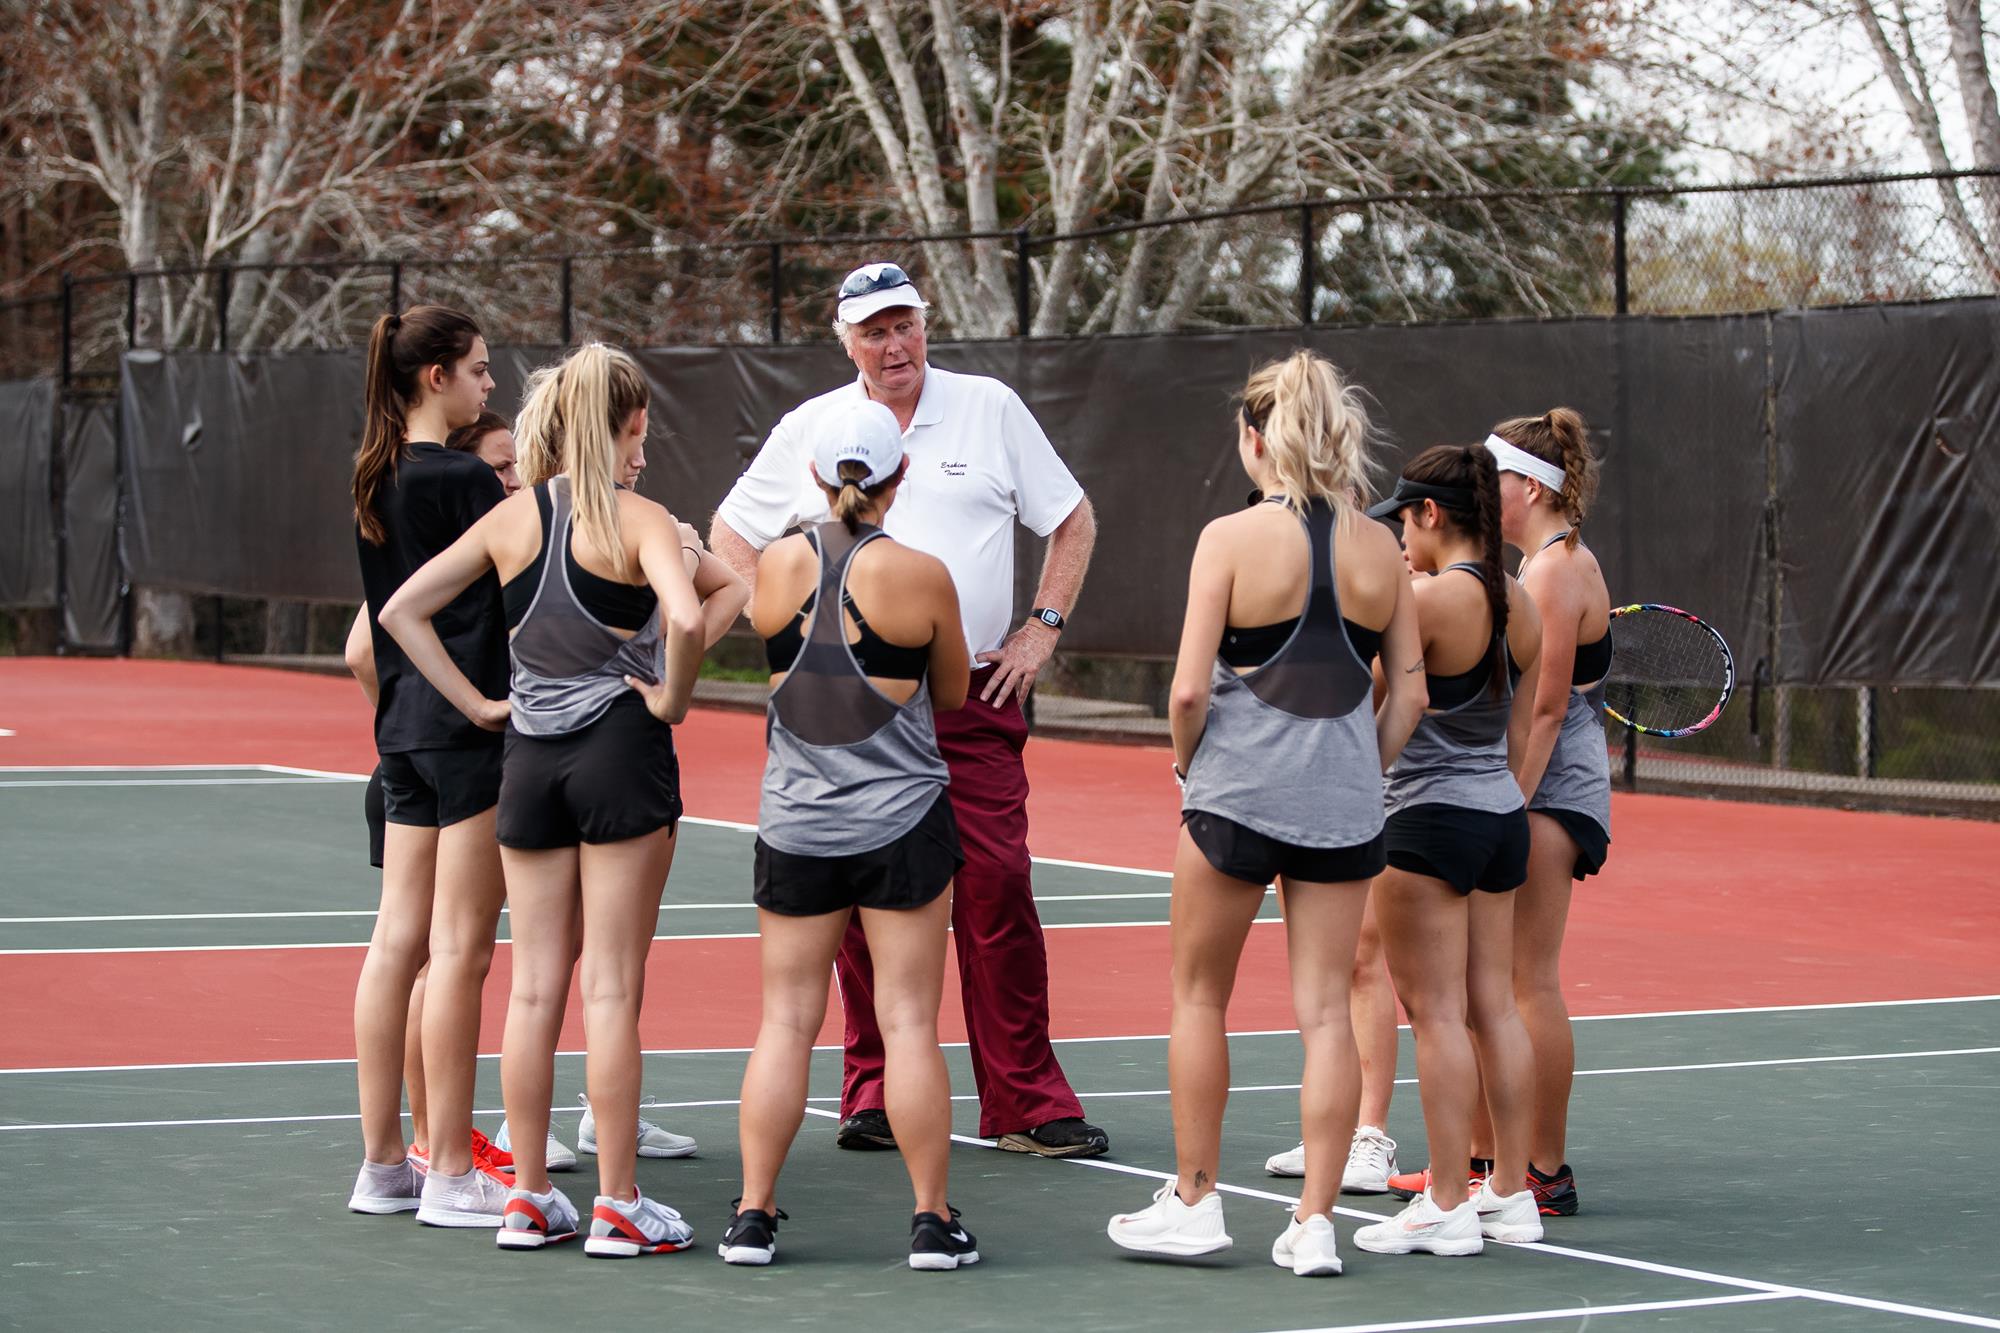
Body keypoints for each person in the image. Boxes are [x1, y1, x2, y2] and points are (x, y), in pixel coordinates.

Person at [709, 261, 1107, 1158]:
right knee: (857, 899)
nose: (895, 345)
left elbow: (1073, 519)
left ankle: (1027, 1101)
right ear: (845, 340)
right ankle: (875, 1091)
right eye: (875, 331)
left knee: (998, 883)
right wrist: (794, 641)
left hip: (971, 696)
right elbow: (729, 539)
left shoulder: (990, 407)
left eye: (907, 325)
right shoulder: (809, 426)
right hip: (852, 709)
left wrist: (1039, 630)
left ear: (925, 325)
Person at [379, 342, 741, 1253]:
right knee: (611, 988)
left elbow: (399, 611)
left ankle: (530, 1193)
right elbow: (693, 615)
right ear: (612, 427)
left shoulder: (511, 520)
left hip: (529, 762)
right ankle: (619, 1199)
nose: (642, 456)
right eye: (636, 436)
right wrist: (670, 694)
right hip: (621, 753)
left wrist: (477, 702)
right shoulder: (641, 519)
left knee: (534, 988)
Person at [1105, 351, 1424, 1277]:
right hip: (1344, 808)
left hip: (1233, 799)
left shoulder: (1229, 538)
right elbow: (1407, 699)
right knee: (1327, 1012)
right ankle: (1314, 1222)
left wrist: (1187, 765)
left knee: (1199, 996)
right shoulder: (1382, 547)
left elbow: (1189, 691)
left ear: (1256, 439)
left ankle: (1197, 1201)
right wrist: (1359, 769)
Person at [721, 399, 977, 1271]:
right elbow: (951, 694)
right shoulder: (922, 573)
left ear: (815, 475)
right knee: (909, 1021)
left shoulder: (773, 567)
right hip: (902, 821)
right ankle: (931, 1221)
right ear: (899, 478)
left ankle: (753, 1214)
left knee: (785, 1020)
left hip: (796, 822)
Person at [1348, 444, 1547, 1258]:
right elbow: (1527, 720)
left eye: (1404, 517)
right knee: (1493, 1006)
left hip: (1426, 823)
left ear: (1431, 514)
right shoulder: (1523, 603)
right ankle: (1510, 1193)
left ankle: (1443, 1199)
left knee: (1434, 1014)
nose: (1399, 533)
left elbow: (1372, 703)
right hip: (1501, 818)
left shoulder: (1423, 601)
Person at [344, 305, 516, 1221]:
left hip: (401, 731)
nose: (491, 386)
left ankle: (383, 1166)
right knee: (459, 949)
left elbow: (377, 629)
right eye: (480, 371)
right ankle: (450, 1170)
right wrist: (486, 702)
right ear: (434, 377)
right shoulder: (463, 482)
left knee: (395, 944)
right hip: (465, 733)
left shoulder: (374, 475)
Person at [1475, 410, 1610, 1219]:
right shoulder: (1546, 566)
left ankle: (1542, 1169)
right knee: (1507, 980)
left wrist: (1507, 805)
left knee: (1528, 980)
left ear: (1529, 485)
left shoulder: (1556, 573)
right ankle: (1498, 1159)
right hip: (1543, 785)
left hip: (1549, 791)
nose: (1484, 493)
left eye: (1494, 478)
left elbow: (1548, 707)